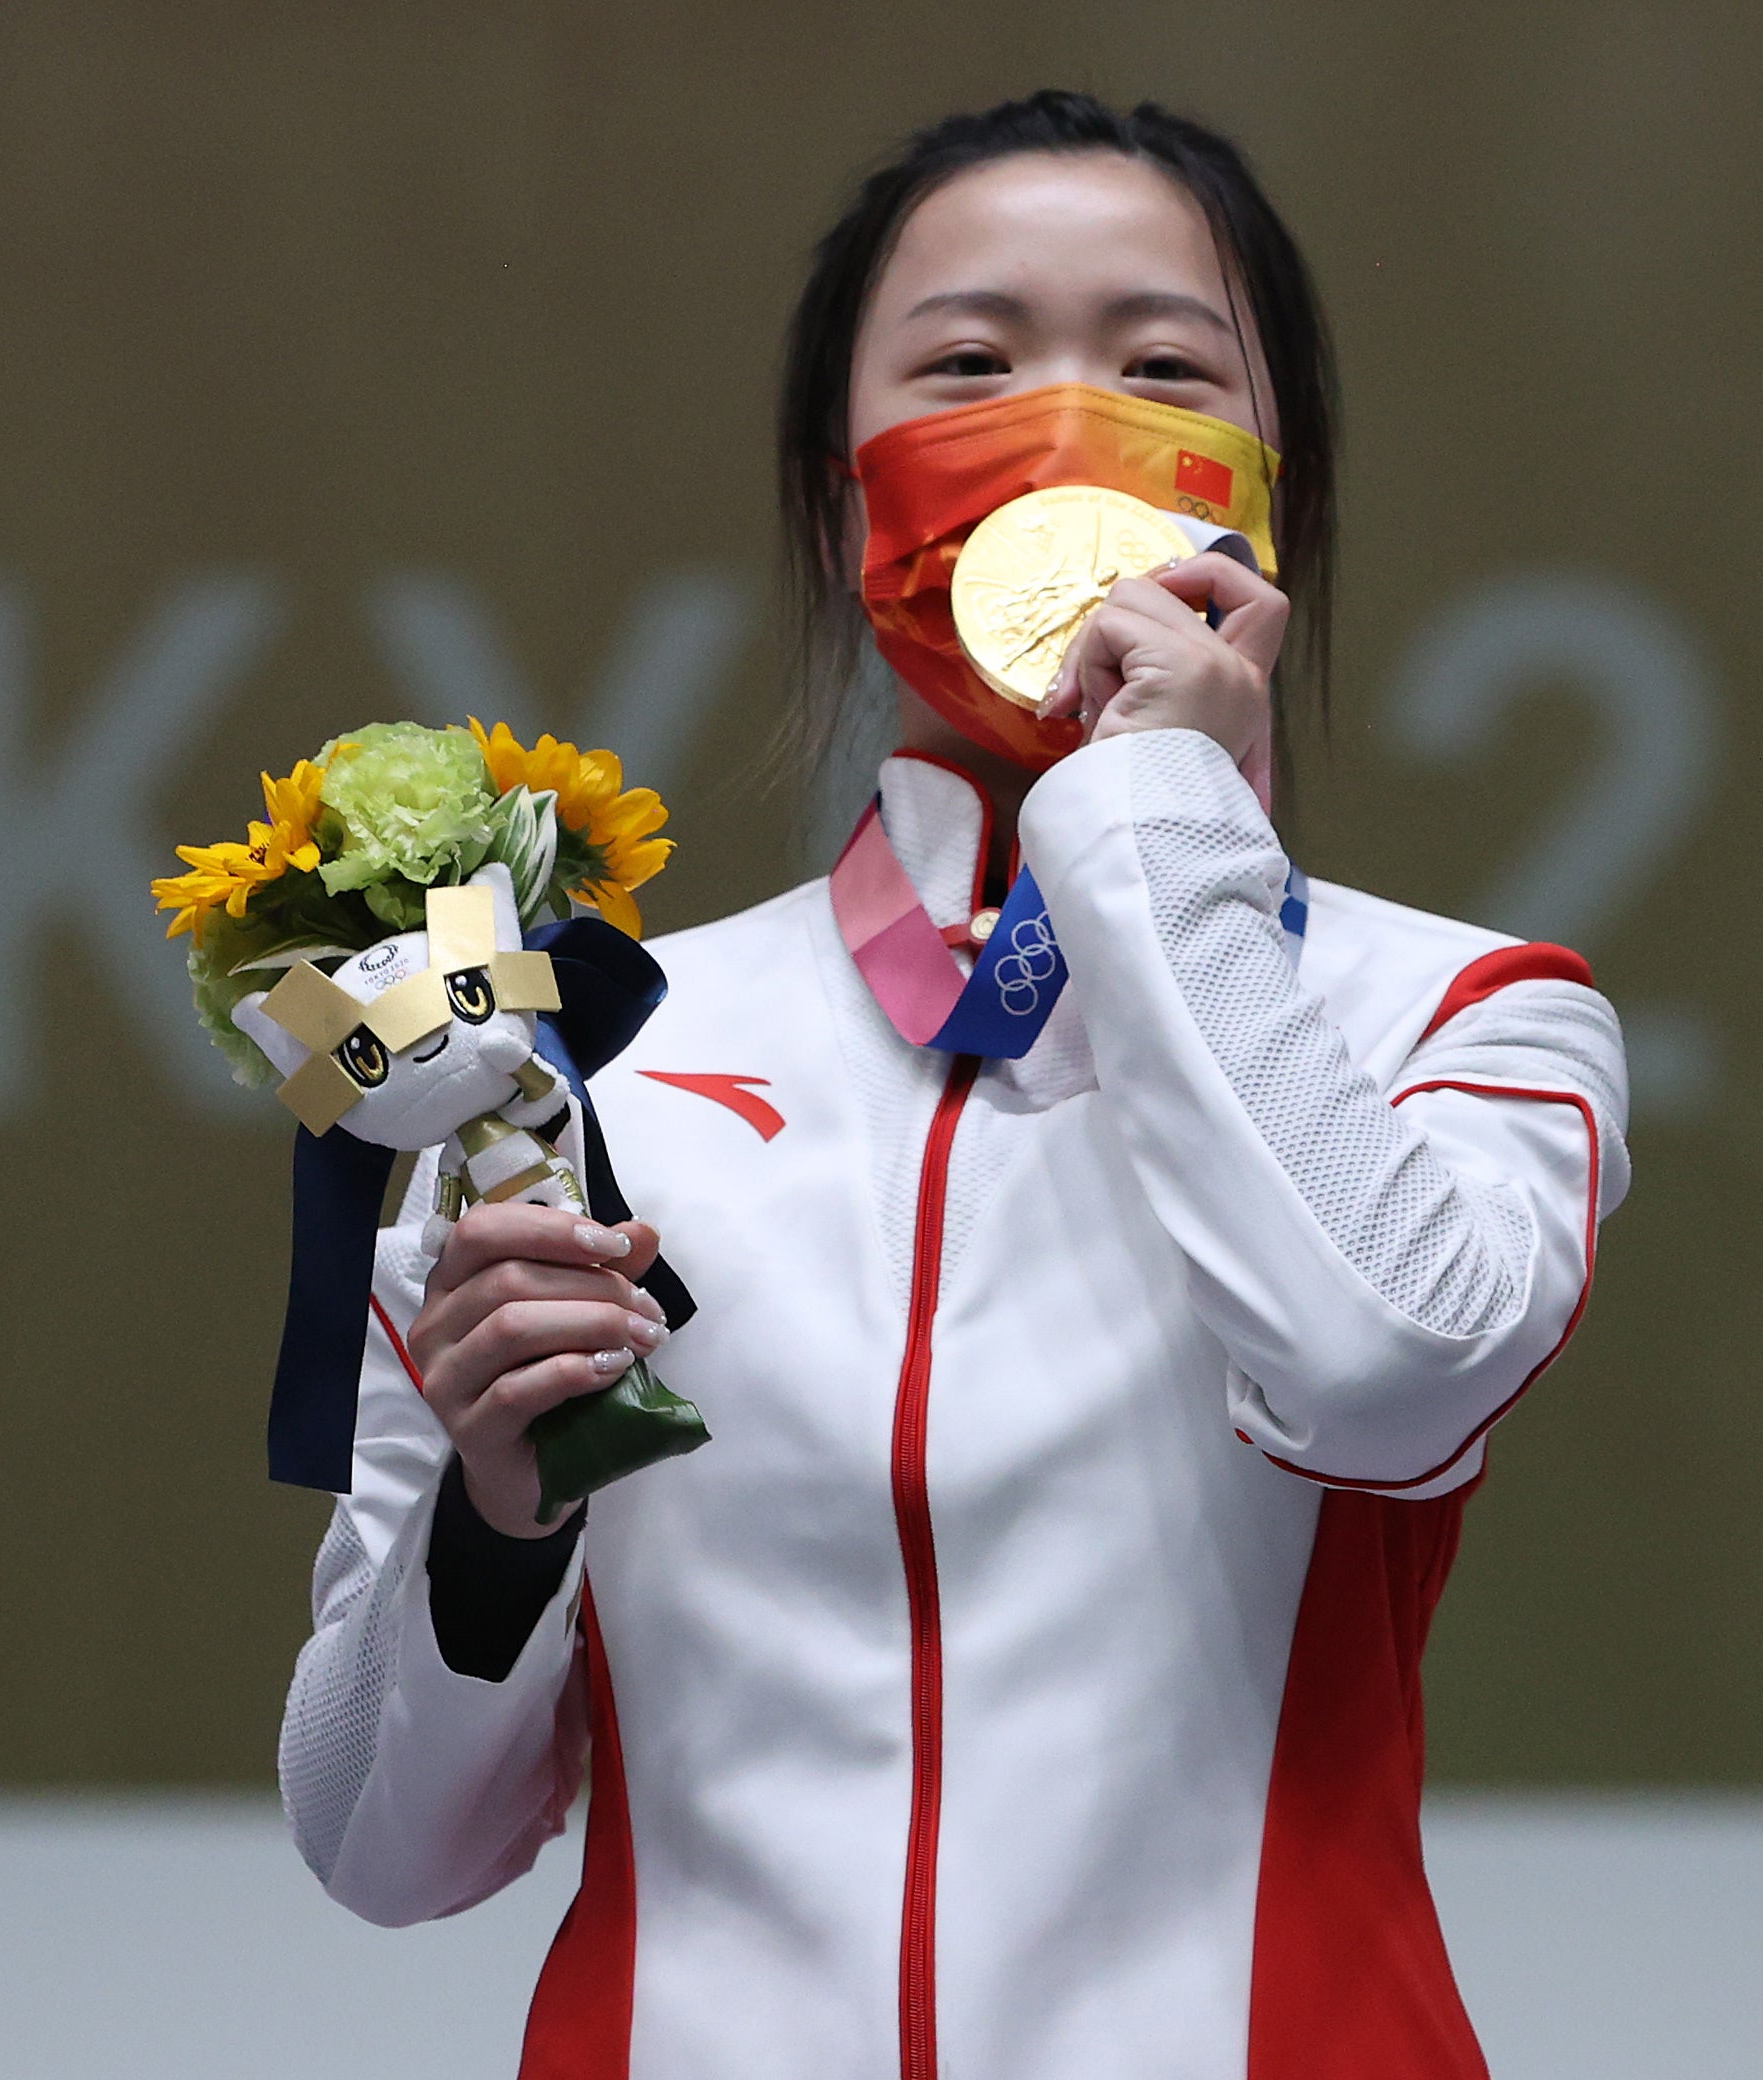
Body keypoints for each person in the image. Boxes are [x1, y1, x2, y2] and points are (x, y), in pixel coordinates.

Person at [280, 90, 1630, 2080]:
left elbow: (1381, 1368)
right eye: (971, 365)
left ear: (1279, 493)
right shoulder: (566, 1052)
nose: (1063, 432)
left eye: (1161, 369)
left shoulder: (1459, 1014)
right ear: (846, 503)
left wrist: (1155, 809)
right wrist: (493, 1513)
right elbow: (378, 1847)